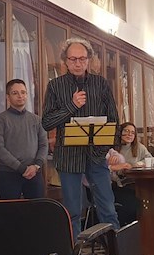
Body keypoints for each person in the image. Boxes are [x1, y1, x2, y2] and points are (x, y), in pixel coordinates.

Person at [42, 36, 120, 240]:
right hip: (69, 157)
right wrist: (71, 106)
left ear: (89, 60)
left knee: (108, 208)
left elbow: (113, 120)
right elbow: (47, 122)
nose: (78, 63)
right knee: (73, 212)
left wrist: (103, 150)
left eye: (82, 59)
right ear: (65, 61)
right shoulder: (55, 86)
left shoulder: (100, 84)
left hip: (96, 155)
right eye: (73, 59)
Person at [0, 79, 48, 199]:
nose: (20, 96)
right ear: (8, 97)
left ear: (27, 95)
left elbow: (43, 145)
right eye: (15, 93)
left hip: (34, 173)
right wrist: (21, 168)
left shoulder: (37, 120)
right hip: (9, 174)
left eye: (23, 92)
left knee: (38, 212)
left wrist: (36, 165)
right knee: (10, 214)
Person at [108, 122, 152, 225]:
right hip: (116, 186)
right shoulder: (112, 149)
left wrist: (137, 164)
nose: (129, 134)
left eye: (132, 132)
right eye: (126, 131)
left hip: (135, 184)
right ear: (120, 133)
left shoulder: (139, 147)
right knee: (133, 205)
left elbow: (150, 160)